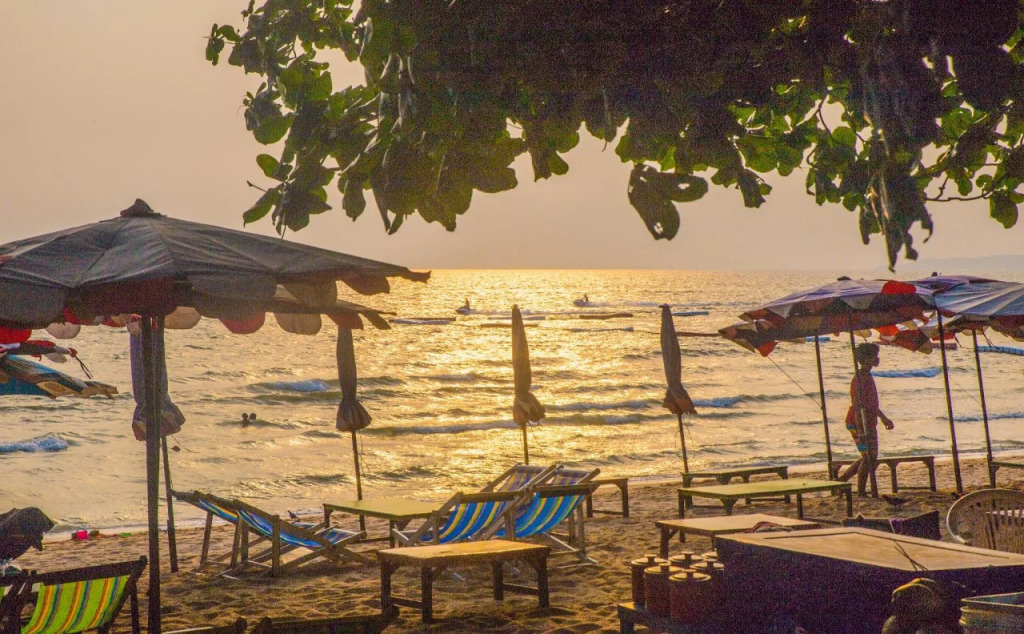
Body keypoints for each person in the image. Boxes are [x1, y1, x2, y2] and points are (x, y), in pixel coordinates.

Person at [838, 342, 895, 496]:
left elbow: (871, 405)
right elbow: (858, 404)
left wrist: (883, 418)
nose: (877, 359)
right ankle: (861, 491)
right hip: (858, 422)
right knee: (869, 457)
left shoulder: (867, 376)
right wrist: (862, 428)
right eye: (875, 356)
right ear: (866, 359)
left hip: (866, 421)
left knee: (869, 456)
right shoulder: (861, 378)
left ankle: (842, 480)